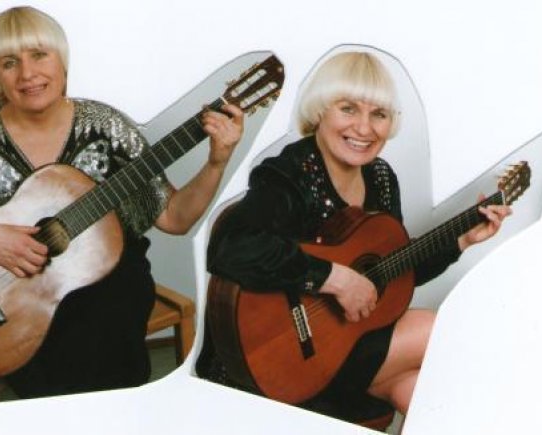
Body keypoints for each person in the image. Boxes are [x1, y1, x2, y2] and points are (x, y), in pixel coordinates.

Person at [0, 6, 243, 399]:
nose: (28, 74)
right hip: (19, 301)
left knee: (106, 312)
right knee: (68, 342)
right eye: (9, 63)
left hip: (112, 287)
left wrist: (216, 162)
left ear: (62, 61)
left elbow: (175, 218)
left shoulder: (108, 127)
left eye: (39, 55)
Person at [200, 51, 511, 421]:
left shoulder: (380, 178)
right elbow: (230, 247)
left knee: (416, 390)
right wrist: (335, 279)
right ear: (320, 111)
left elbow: (390, 274)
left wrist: (462, 240)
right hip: (277, 364)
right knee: (432, 331)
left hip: (343, 348)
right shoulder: (288, 174)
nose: (364, 128)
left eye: (378, 114)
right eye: (348, 108)